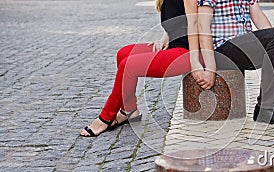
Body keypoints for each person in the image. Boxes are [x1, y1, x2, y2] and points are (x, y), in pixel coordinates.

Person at [80, 0, 215, 137]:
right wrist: (166, 37)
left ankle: (105, 118)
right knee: (123, 54)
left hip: (188, 52)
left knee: (128, 65)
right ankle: (129, 110)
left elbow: (194, 24)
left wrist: (195, 61)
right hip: (175, 45)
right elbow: (179, 20)